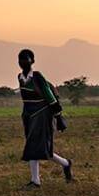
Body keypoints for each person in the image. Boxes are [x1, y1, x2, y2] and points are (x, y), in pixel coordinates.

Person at [18, 48, 72, 188]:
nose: (23, 62)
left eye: (26, 59)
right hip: (29, 115)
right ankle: (66, 163)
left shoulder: (37, 76)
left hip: (42, 114)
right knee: (39, 147)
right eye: (21, 59)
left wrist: (58, 115)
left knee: (34, 146)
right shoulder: (20, 77)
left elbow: (49, 95)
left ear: (32, 61)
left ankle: (35, 181)